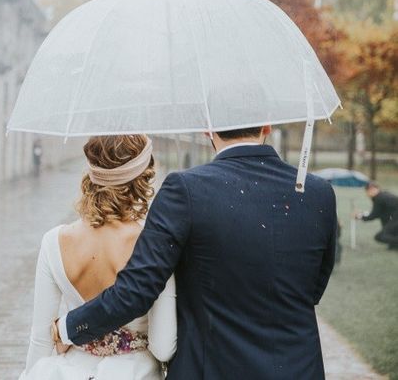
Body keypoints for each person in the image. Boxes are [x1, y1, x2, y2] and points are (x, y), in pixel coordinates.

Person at [52, 126, 338, 380]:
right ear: (267, 125)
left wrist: (68, 328)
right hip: (298, 368)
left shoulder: (185, 189)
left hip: (212, 368)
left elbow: (136, 291)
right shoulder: (318, 192)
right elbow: (312, 289)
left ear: (207, 128)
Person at [20, 135, 176, 380]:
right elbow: (164, 346)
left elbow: (41, 339)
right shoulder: (153, 243)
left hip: (70, 371)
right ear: (142, 177)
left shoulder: (54, 241)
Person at [355, 182, 398, 249]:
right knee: (383, 234)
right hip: (393, 218)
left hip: (395, 218)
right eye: (368, 190)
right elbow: (381, 214)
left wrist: (359, 216)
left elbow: (373, 215)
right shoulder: (383, 195)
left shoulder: (379, 198)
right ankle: (394, 245)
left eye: (371, 190)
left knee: (381, 236)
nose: (369, 192)